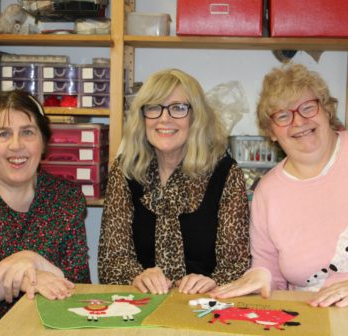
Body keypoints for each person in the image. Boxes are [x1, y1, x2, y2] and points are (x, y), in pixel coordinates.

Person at [98, 68, 250, 295]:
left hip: (206, 305)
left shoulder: (225, 173)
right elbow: (110, 262)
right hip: (141, 305)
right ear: (142, 117)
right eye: (154, 107)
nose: (164, 118)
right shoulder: (126, 169)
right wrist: (136, 276)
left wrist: (212, 281)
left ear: (196, 117)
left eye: (178, 108)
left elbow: (237, 266)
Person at [210, 63, 348, 308]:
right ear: (271, 132)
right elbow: (268, 268)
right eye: (283, 115)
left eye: (307, 107)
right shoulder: (268, 192)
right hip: (312, 321)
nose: (298, 122)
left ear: (326, 109)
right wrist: (260, 275)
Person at [0, 90, 91, 320]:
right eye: (3, 134)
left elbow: (79, 288)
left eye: (28, 132)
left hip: (49, 334)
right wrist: (19, 268)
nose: (16, 145)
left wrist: (34, 261)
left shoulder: (66, 200)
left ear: (44, 141)